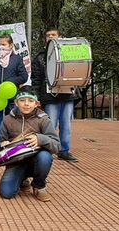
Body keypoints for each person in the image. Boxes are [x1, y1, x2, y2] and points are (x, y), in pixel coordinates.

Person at [0, 87, 60, 202]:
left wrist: (40, 139)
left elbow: (56, 145)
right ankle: (22, 178)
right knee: (6, 193)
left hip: (36, 159)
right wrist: (3, 144)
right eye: (22, 100)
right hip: (16, 161)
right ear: (16, 102)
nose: (26, 104)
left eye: (31, 101)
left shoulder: (43, 119)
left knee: (45, 157)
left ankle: (39, 185)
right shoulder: (7, 119)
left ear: (37, 104)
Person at [32, 28, 79, 162]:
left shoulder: (69, 54)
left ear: (60, 37)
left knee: (66, 124)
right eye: (48, 35)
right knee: (50, 124)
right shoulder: (40, 57)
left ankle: (64, 151)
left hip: (67, 95)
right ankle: (49, 149)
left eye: (53, 35)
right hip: (49, 96)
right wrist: (36, 97)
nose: (50, 37)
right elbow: (35, 78)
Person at [0, 34, 28, 158]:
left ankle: (12, 150)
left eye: (3, 45)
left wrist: (9, 84)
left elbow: (23, 76)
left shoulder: (17, 59)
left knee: (12, 125)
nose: (1, 47)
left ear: (10, 45)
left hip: (11, 98)